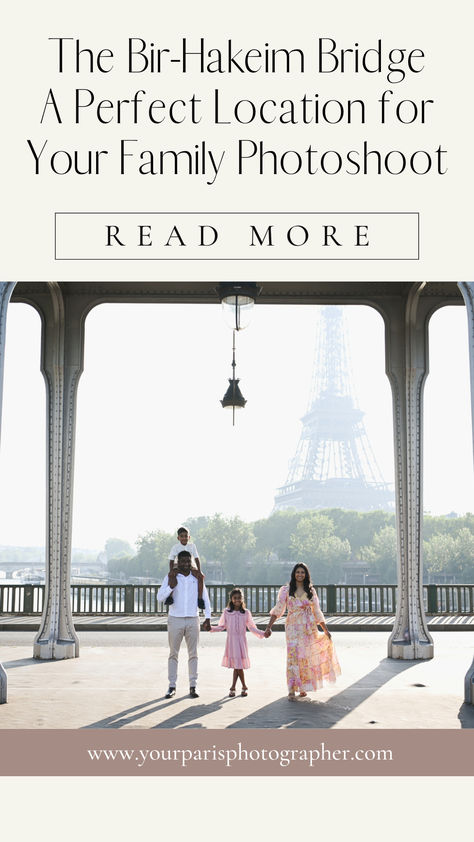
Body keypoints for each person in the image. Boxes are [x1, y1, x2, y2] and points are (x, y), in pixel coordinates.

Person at [264, 563, 341, 699]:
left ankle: (303, 687)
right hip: (292, 627)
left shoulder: (311, 591)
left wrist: (325, 630)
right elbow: (278, 609)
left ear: (306, 575)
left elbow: (317, 611)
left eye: (303, 572)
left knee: (305, 657)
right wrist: (269, 626)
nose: (300, 574)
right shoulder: (286, 590)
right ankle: (292, 688)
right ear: (294, 574)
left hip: (308, 628)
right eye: (298, 572)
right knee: (293, 657)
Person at [157, 549, 211, 699]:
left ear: (191, 562)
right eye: (183, 561)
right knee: (173, 654)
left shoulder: (197, 577)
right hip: (175, 618)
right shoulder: (171, 577)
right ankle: (172, 686)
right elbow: (160, 597)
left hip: (193, 618)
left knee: (193, 654)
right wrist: (171, 586)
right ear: (178, 562)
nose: (186, 564)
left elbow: (205, 597)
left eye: (188, 561)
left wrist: (208, 617)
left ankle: (193, 685)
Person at [209, 588, 265, 697]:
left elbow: (252, 627)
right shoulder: (226, 612)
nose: (237, 600)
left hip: (241, 642)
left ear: (242, 599)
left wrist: (262, 633)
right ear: (231, 599)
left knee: (238, 665)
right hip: (231, 641)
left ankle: (235, 687)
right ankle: (241, 686)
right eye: (235, 598)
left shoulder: (246, 613)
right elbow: (221, 626)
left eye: (239, 598)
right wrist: (211, 628)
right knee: (237, 666)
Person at [166, 527, 205, 609]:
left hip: (190, 564)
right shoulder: (175, 547)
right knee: (172, 576)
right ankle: (170, 596)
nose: (184, 538)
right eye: (182, 536)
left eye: (186, 536)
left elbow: (197, 558)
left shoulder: (192, 546)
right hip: (178, 565)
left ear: (189, 537)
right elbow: (171, 560)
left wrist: (199, 571)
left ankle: (200, 598)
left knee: (201, 577)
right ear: (178, 538)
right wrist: (171, 571)